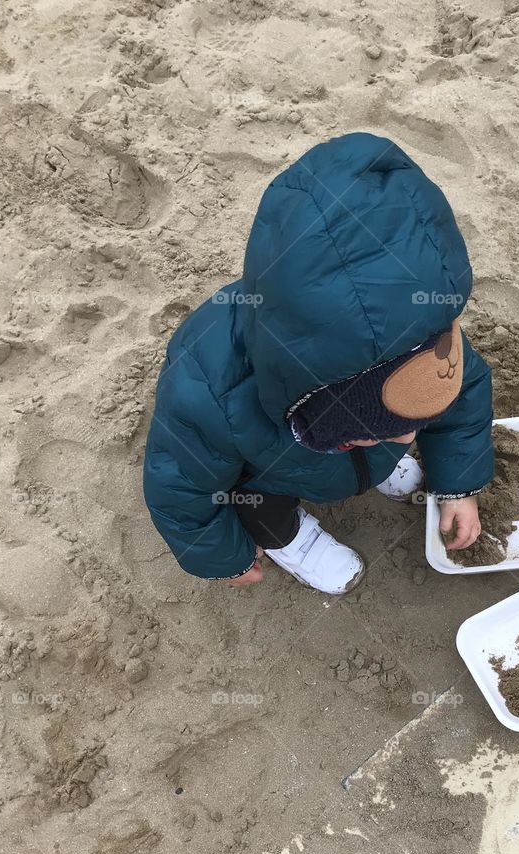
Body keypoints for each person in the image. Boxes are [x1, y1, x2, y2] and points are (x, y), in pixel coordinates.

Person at [143, 132, 495, 595]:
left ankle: (377, 465)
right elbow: (180, 490)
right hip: (269, 481)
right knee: (256, 504)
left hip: (340, 450)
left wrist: (458, 485)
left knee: (399, 424)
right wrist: (224, 558)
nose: (411, 439)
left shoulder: (427, 344)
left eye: (411, 425)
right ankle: (294, 539)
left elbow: (463, 400)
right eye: (387, 430)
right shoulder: (209, 390)